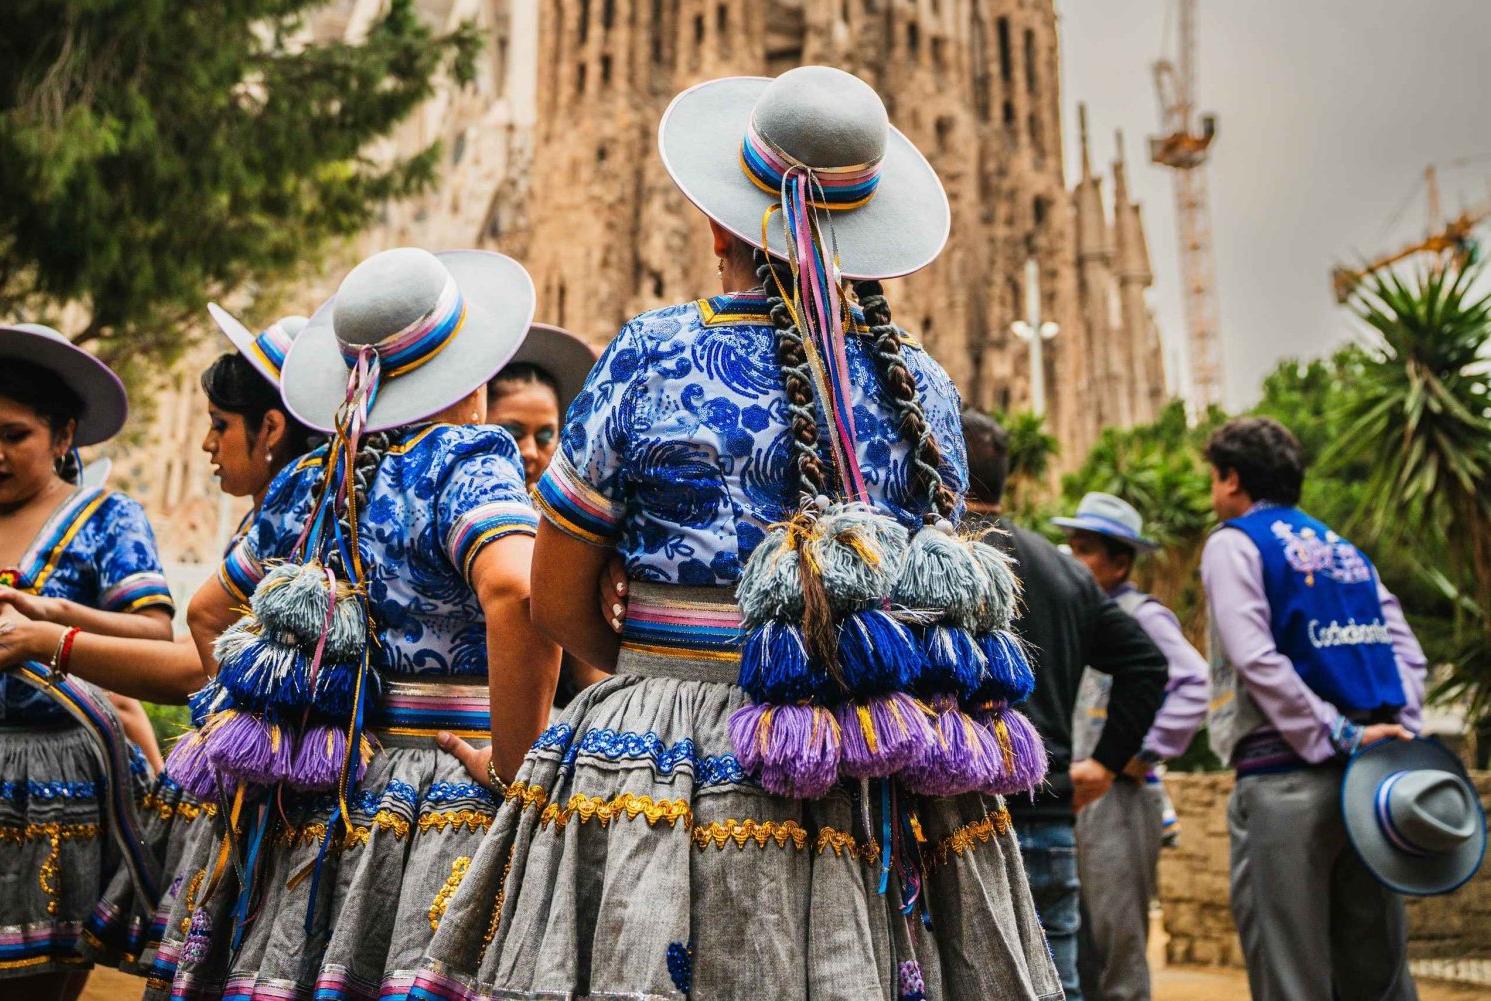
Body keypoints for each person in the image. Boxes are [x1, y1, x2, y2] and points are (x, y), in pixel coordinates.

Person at [414, 66, 1061, 1001]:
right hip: (876, 758)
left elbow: (555, 595)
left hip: (664, 760)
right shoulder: (924, 390)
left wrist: (656, 662)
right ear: (864, 240)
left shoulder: (653, 352)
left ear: (722, 223)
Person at [137, 247, 562, 1000]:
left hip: (306, 791)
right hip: (432, 798)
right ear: (468, 379)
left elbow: (208, 612)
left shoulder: (307, 479)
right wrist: (517, 767)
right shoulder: (463, 462)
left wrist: (276, 725)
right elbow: (519, 595)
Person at [0, 309, 319, 974]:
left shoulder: (292, 537)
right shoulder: (289, 523)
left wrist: (42, 638)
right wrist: (53, 613)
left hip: (266, 804)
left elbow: (193, 666)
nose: (205, 444)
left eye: (220, 425)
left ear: (274, 430)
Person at [1201, 416, 1426, 1001]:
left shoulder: (1234, 544)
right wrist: (1399, 730)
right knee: (1378, 970)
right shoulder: (1344, 551)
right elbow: (1407, 651)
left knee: (1290, 973)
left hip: (1285, 782)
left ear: (1230, 480)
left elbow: (1255, 658)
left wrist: (1341, 733)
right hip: (1373, 785)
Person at [0, 322, 176, 999]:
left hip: (58, 787)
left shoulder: (106, 519)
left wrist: (50, 622)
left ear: (64, 436)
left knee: (34, 983)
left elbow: (154, 633)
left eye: (15, 435)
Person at [959, 411, 1167, 1001]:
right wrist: (1104, 762)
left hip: (958, 818)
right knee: (1060, 985)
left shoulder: (931, 557)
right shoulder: (1064, 572)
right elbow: (1147, 665)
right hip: (1049, 820)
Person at [1053, 492, 1210, 1001]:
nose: (1070, 557)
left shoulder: (1142, 615)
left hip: (1117, 794)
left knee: (1116, 933)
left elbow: (1193, 683)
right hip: (1080, 790)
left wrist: (1137, 754)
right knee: (1079, 936)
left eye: (1084, 549)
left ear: (1120, 562)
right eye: (1071, 545)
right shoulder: (1083, 617)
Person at [481, 323, 607, 709]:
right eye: (511, 432)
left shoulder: (567, 525)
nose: (530, 452)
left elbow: (590, 674)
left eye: (546, 435)